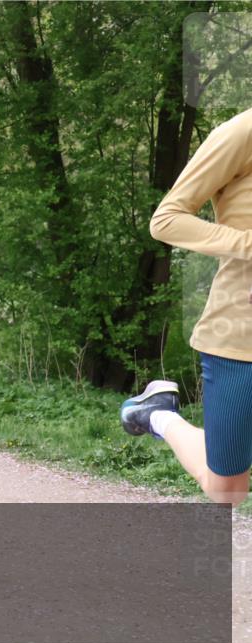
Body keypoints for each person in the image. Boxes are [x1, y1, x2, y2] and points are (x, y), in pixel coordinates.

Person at [119, 108, 251, 507]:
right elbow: (168, 220)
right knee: (226, 489)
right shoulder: (242, 131)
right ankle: (159, 415)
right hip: (239, 336)